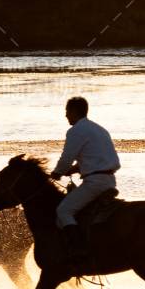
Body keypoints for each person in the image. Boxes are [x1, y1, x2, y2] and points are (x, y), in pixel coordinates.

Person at [49, 96, 120, 269]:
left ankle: (79, 249)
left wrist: (58, 173)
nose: (66, 116)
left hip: (95, 182)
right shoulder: (99, 129)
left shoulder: (76, 131)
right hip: (109, 180)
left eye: (67, 112)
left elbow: (66, 157)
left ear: (74, 111)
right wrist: (74, 169)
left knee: (63, 211)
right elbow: (95, 158)